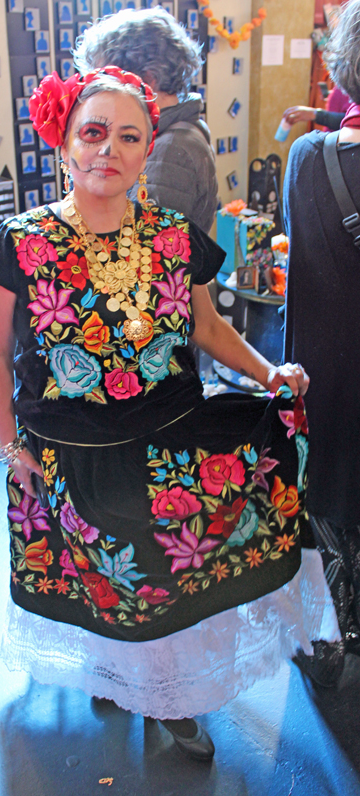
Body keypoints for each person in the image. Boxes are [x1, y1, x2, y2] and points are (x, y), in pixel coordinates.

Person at [0, 66, 338, 761]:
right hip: (66, 446)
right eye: (94, 132)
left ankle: (168, 698)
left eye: (128, 136)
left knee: (161, 574)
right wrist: (6, 447)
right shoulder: (19, 243)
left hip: (170, 434)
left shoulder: (176, 237)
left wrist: (270, 372)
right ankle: (116, 674)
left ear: (147, 151)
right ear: (67, 147)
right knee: (101, 576)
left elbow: (207, 328)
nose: (108, 149)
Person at [284, 0, 360, 686]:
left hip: (333, 372)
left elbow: (299, 286)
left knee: (330, 491)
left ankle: (332, 638)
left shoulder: (310, 159)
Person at [72, 7, 218, 233]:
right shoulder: (172, 133)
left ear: (146, 78)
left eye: (108, 82)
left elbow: (141, 256)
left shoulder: (169, 149)